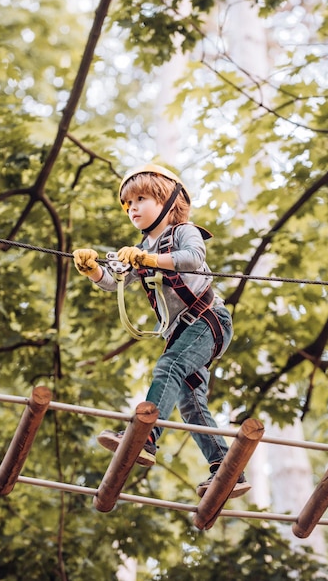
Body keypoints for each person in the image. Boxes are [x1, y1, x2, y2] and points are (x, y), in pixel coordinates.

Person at [73, 163, 251, 498]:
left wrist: (149, 260)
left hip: (208, 320)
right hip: (182, 332)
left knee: (168, 367)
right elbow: (115, 282)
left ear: (168, 201)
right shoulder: (139, 249)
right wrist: (93, 270)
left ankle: (145, 437)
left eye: (140, 199)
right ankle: (228, 469)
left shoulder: (183, 232)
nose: (133, 208)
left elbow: (193, 258)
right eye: (128, 204)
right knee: (190, 402)